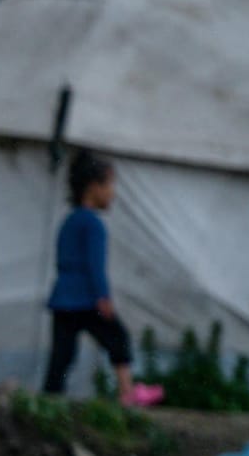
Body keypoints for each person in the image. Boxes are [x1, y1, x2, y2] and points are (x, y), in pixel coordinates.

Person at [42, 150, 161, 405]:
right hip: (85, 298)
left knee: (62, 354)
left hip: (63, 298)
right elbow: (95, 265)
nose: (113, 193)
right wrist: (102, 296)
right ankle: (127, 391)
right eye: (110, 186)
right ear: (93, 187)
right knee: (117, 337)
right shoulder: (94, 224)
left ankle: (49, 398)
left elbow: (64, 260)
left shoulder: (70, 221)